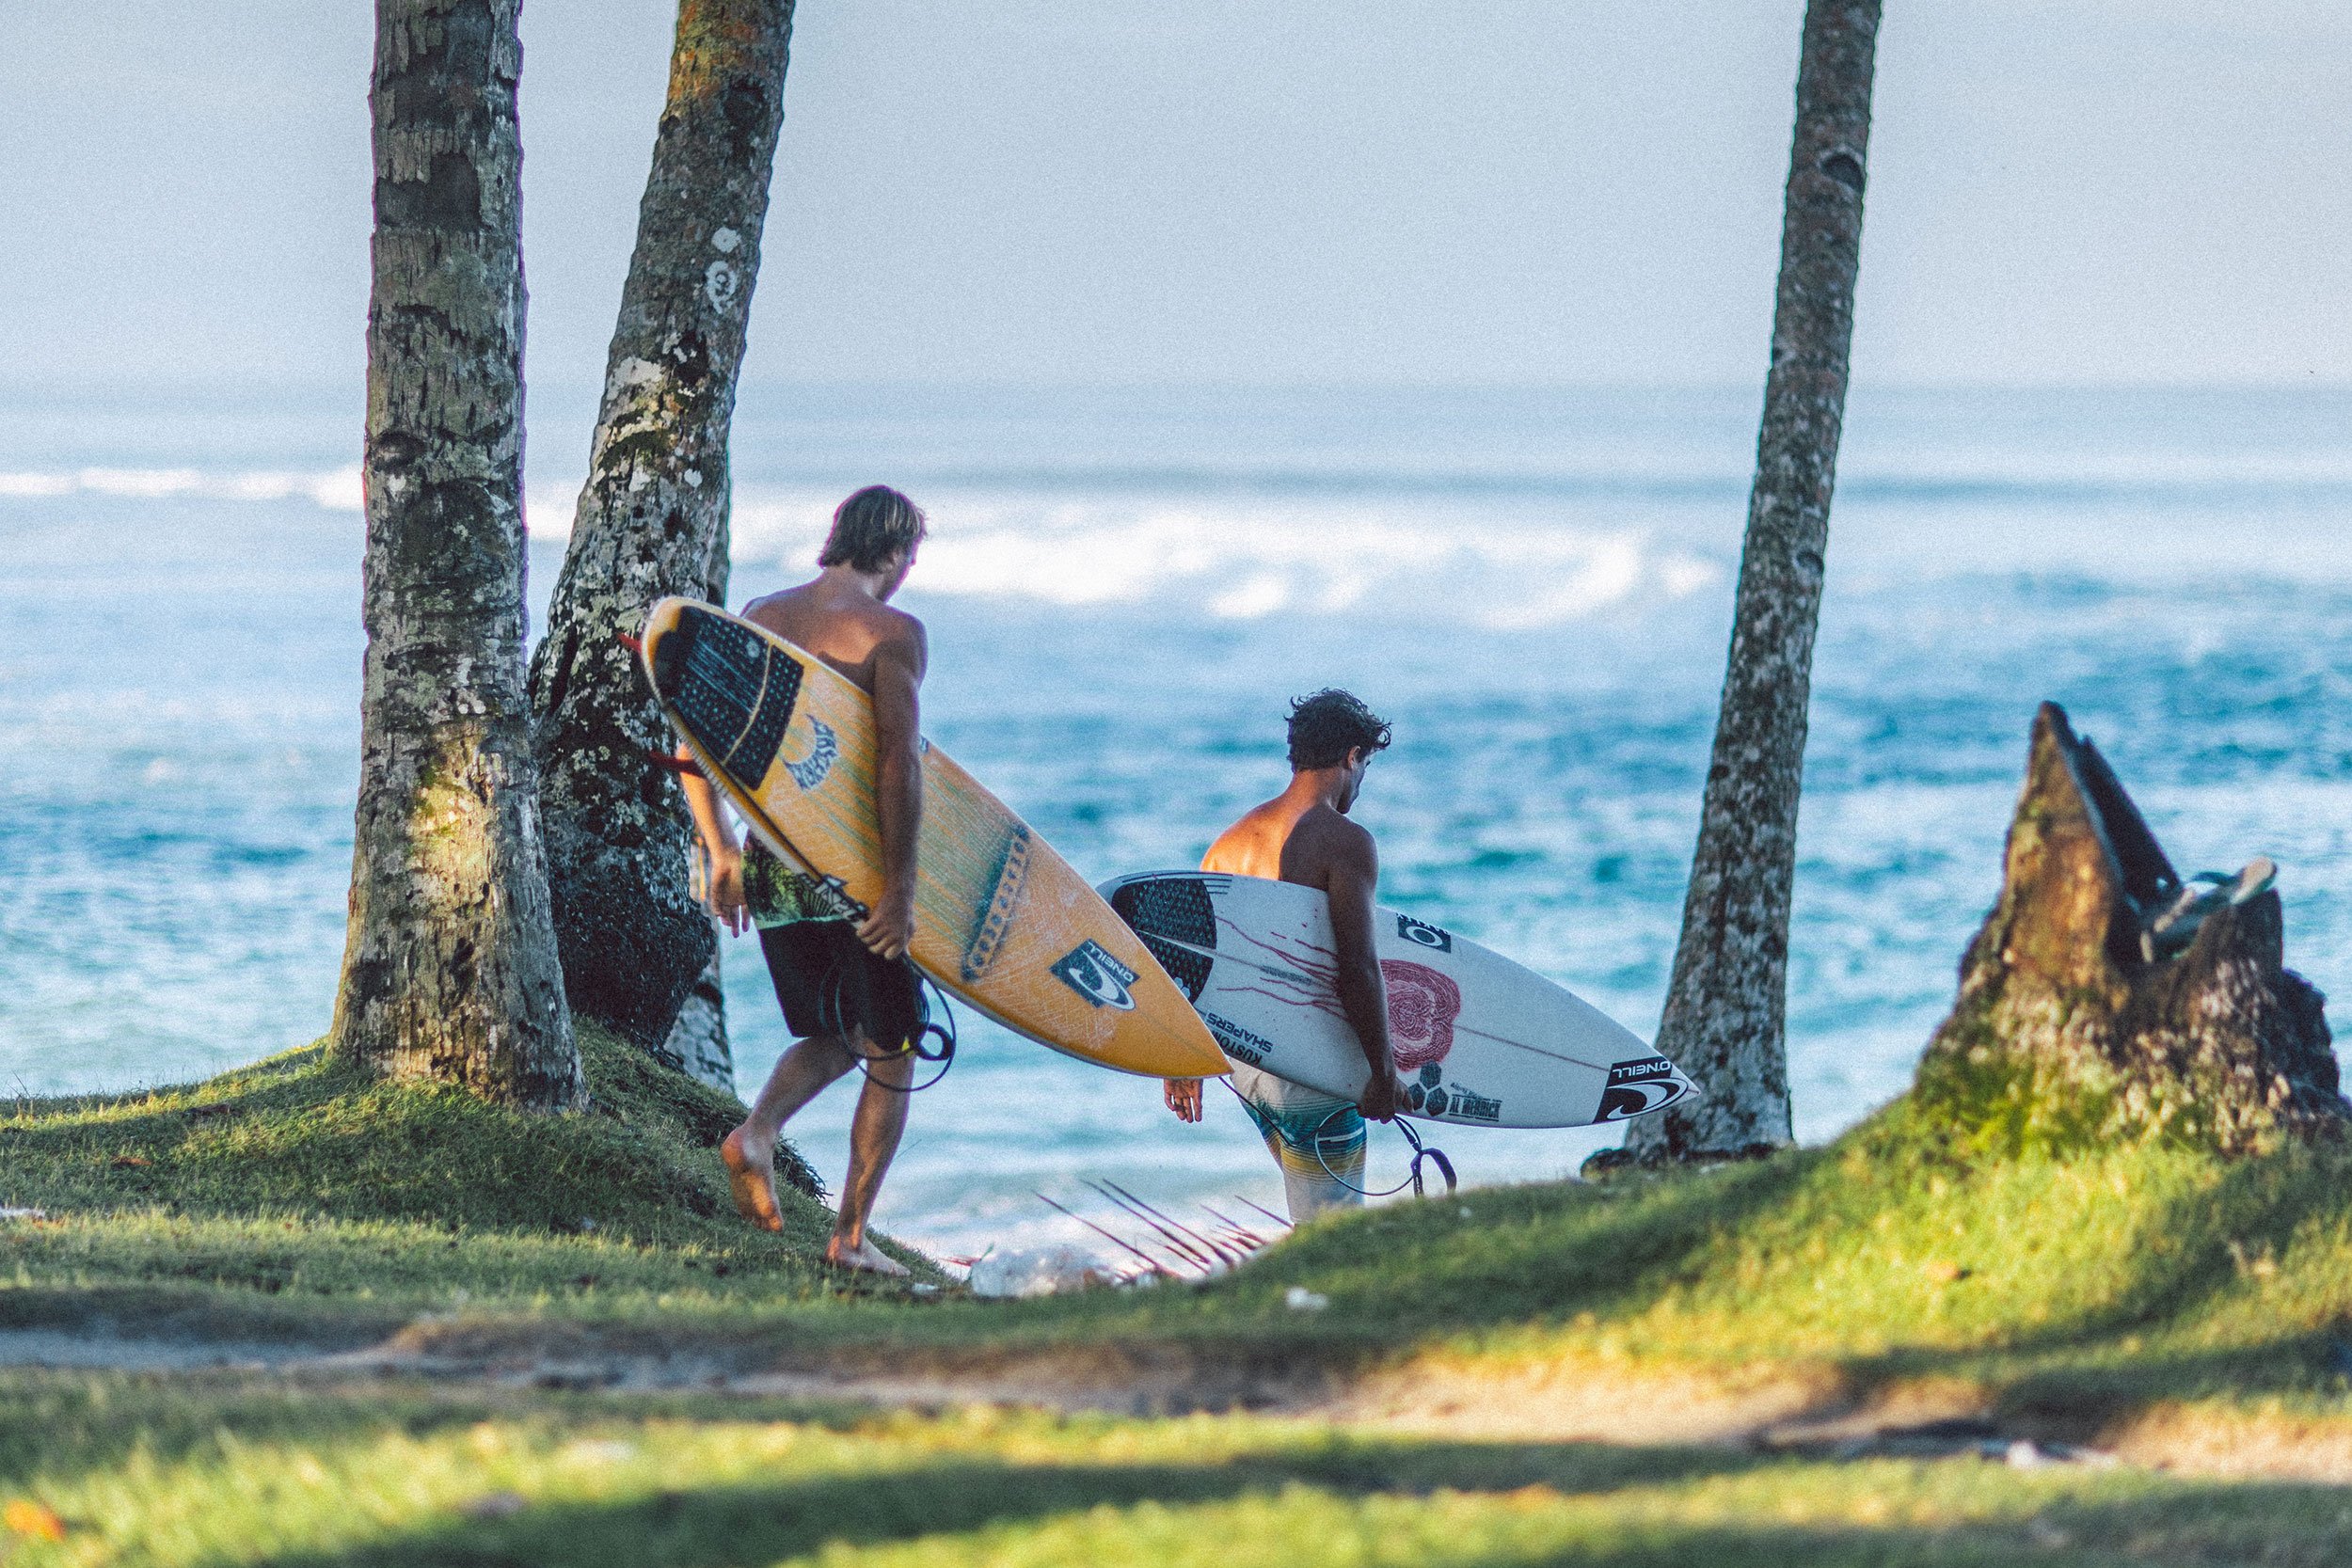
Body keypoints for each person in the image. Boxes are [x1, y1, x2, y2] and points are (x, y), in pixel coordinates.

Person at [677, 484, 930, 1275]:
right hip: (851, 872)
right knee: (893, 1044)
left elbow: (697, 738)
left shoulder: (760, 615)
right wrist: (901, 887)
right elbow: (897, 762)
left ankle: (756, 1134)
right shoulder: (893, 632)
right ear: (892, 551)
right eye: (909, 558)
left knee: (842, 1029)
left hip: (773, 864)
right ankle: (852, 1239)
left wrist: (720, 849)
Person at [1163, 689, 1403, 1221]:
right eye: (1365, 767)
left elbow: (1198, 962)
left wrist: (1181, 1058)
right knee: (1333, 1231)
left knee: (1313, 1210)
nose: (1360, 785)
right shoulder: (1345, 841)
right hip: (1309, 1073)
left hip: (1248, 1074)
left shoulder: (1228, 844)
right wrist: (1382, 1070)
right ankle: (1314, 1302)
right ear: (1351, 757)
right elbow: (1355, 967)